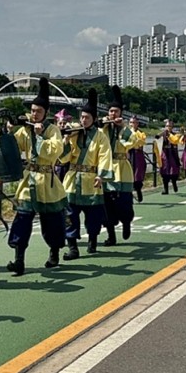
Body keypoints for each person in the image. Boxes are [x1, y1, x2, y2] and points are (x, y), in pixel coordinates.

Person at [6, 77, 69, 274]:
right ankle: (19, 260)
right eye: (32, 111)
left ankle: (54, 252)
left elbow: (55, 151)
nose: (34, 114)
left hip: (47, 182)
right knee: (22, 219)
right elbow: (14, 148)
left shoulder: (53, 131)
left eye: (38, 111)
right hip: (29, 180)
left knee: (52, 221)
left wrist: (40, 136)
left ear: (46, 113)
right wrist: (9, 133)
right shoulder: (26, 130)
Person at [62, 89, 113, 258]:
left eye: (87, 117)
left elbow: (105, 155)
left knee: (93, 216)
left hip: (91, 180)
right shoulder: (74, 133)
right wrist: (66, 141)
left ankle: (92, 240)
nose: (83, 120)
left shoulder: (100, 136)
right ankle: (72, 247)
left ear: (94, 119)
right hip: (72, 179)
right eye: (82, 117)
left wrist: (101, 175)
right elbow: (63, 158)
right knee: (70, 215)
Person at [100, 86, 145, 245]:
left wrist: (122, 126)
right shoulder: (103, 128)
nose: (113, 114)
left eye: (116, 111)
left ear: (120, 113)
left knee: (124, 201)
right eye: (111, 111)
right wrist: (104, 124)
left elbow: (132, 142)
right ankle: (111, 235)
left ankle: (126, 222)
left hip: (122, 167)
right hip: (107, 167)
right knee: (107, 204)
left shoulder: (124, 130)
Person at [154, 119, 182, 194]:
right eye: (166, 126)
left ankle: (174, 183)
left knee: (174, 172)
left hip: (172, 154)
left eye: (169, 126)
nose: (168, 127)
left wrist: (169, 135)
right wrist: (161, 134)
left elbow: (175, 140)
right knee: (164, 172)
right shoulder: (162, 134)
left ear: (172, 127)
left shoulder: (175, 134)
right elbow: (156, 138)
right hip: (165, 154)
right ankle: (166, 189)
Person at [127, 116, 148, 202]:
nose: (133, 124)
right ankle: (129, 194)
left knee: (138, 173)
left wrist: (134, 138)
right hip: (129, 152)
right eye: (131, 122)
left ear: (137, 123)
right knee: (128, 173)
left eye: (135, 122)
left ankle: (138, 190)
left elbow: (142, 141)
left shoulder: (141, 133)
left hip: (138, 153)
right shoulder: (126, 132)